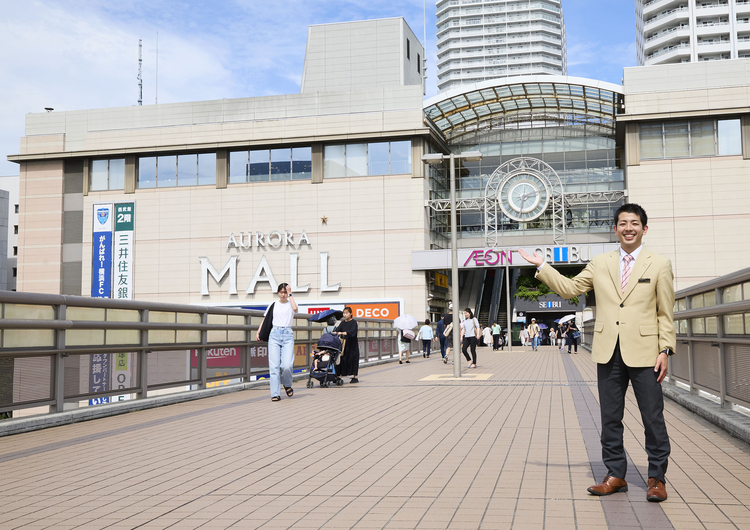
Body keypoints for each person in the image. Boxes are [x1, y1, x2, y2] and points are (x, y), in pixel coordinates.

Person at [519, 203, 675, 503]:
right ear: (615, 229)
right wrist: (541, 265)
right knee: (609, 418)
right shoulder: (601, 262)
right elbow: (569, 288)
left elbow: (665, 312)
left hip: (646, 352)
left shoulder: (659, 264)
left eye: (634, 223)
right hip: (609, 351)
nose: (628, 228)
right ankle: (616, 474)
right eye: (622, 223)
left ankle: (656, 477)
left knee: (653, 417)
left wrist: (665, 349)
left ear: (644, 227)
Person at [257, 283, 297, 402]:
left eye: (285, 292)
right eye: (281, 292)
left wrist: (290, 294)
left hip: (287, 335)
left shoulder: (291, 303)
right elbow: (266, 319)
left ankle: (287, 383)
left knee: (287, 365)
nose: (283, 295)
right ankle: (275, 393)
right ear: (278, 293)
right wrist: (259, 331)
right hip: (274, 334)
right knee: (274, 366)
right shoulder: (273, 305)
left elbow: (295, 309)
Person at [335, 307, 360, 383]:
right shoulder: (342, 323)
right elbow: (337, 330)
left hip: (352, 345)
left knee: (353, 360)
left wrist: (343, 333)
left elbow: (352, 333)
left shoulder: (354, 323)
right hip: (344, 345)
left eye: (346, 313)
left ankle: (355, 377)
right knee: (342, 360)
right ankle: (339, 376)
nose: (345, 315)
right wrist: (335, 333)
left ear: (351, 314)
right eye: (344, 313)